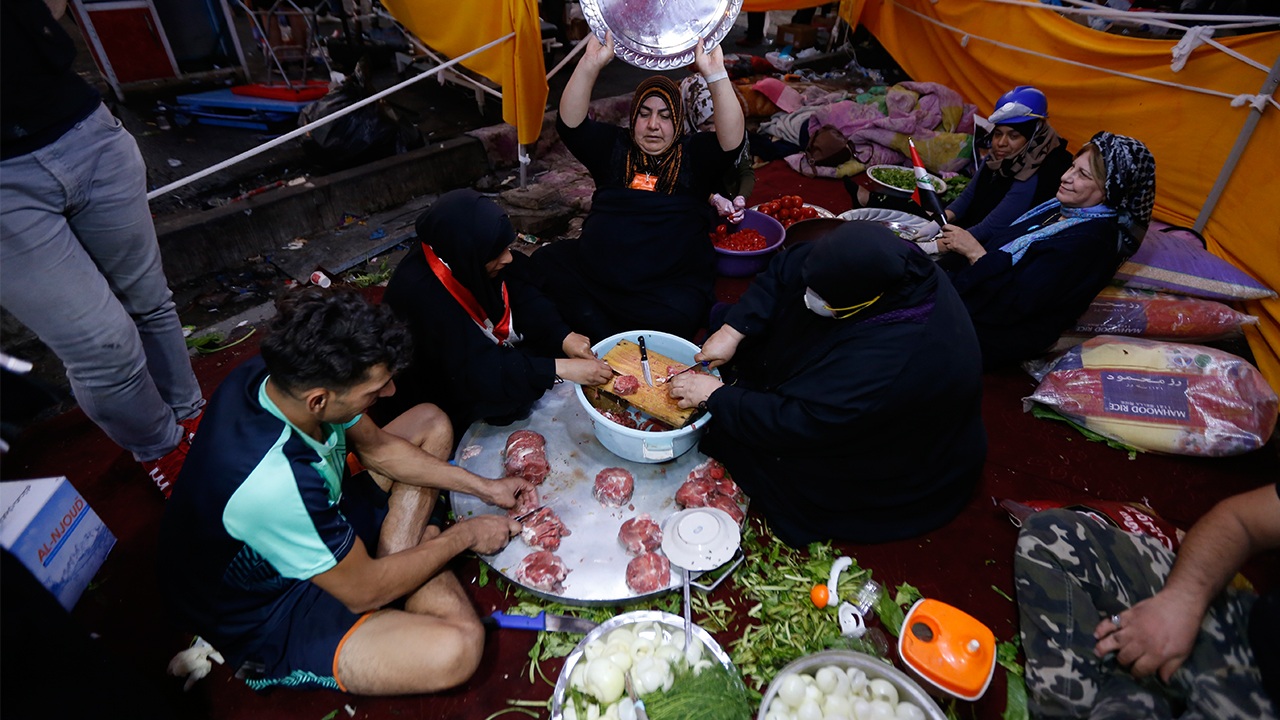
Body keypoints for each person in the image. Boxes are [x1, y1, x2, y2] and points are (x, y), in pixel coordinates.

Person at [157, 288, 529, 695]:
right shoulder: (274, 485)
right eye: (375, 390)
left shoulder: (281, 377)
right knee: (458, 647)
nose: (387, 394)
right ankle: (409, 559)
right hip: (269, 610)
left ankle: (403, 561)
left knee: (430, 422)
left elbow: (380, 449)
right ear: (319, 401)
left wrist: (487, 488)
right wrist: (465, 536)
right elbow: (362, 591)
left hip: (318, 520)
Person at [666, 222, 986, 547]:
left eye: (821, 296)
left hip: (897, 446)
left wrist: (714, 396)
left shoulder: (892, 359)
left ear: (863, 301)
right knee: (755, 328)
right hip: (857, 346)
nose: (808, 298)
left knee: (768, 458)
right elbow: (787, 267)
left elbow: (801, 421)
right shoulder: (883, 262)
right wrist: (733, 331)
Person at [1, 0, 204, 496]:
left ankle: (193, 421)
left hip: (85, 131)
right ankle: (162, 450)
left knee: (150, 302)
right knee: (102, 347)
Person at [517, 32, 746, 342]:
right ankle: (608, 334)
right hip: (594, 278)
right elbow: (570, 125)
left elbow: (732, 141)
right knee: (545, 264)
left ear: (677, 122)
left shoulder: (693, 154)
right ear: (633, 117)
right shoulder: (615, 147)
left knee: (679, 316)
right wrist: (590, 63)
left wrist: (716, 74)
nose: (653, 125)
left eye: (665, 116)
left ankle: (596, 333)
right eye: (645, 114)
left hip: (660, 292)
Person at [1014, 484, 1280, 718]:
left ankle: (1124, 690)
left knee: (1122, 685)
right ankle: (1083, 702)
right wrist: (1182, 602)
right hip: (1244, 627)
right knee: (1053, 537)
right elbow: (1240, 521)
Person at [380, 189, 613, 440]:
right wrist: (560, 369)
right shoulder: (421, 294)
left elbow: (521, 291)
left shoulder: (467, 257)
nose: (508, 258)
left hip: (480, 354)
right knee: (511, 400)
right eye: (497, 252)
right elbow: (474, 369)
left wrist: (563, 336)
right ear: (470, 254)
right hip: (441, 382)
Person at [936, 131, 1155, 368]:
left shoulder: (1091, 241)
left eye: (1083, 174)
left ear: (1111, 190)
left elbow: (1016, 304)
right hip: (983, 300)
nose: (1065, 177)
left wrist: (974, 253)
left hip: (999, 331)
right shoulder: (1061, 209)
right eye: (1072, 167)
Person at [939, 86, 1073, 243]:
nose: (1001, 143)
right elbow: (968, 196)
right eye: (998, 134)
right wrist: (940, 220)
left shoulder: (1037, 170)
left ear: (1032, 137)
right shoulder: (1001, 155)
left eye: (1013, 136)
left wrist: (940, 244)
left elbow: (992, 228)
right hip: (970, 232)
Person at [679, 74, 755, 200]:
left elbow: (745, 170)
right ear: (691, 117)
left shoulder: (734, 129)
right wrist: (713, 199)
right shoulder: (682, 144)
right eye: (707, 123)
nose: (715, 129)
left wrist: (741, 197)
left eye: (719, 122)